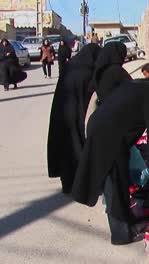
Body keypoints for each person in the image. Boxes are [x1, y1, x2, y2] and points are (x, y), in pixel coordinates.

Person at [71, 74, 149, 245]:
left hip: (105, 130)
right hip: (107, 136)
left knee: (121, 180)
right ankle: (120, 234)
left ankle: (128, 221)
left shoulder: (142, 86)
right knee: (114, 182)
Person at [47, 43, 101, 193]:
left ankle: (67, 184)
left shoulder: (69, 66)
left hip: (61, 113)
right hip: (79, 114)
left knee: (65, 148)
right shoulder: (89, 70)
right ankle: (81, 185)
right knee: (79, 147)